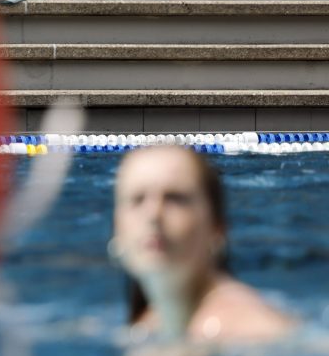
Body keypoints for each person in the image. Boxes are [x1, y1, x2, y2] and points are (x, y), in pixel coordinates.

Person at [109, 145, 293, 343]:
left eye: (175, 198)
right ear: (117, 229)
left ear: (217, 227)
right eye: (137, 200)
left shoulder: (253, 331)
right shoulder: (148, 326)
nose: (153, 214)